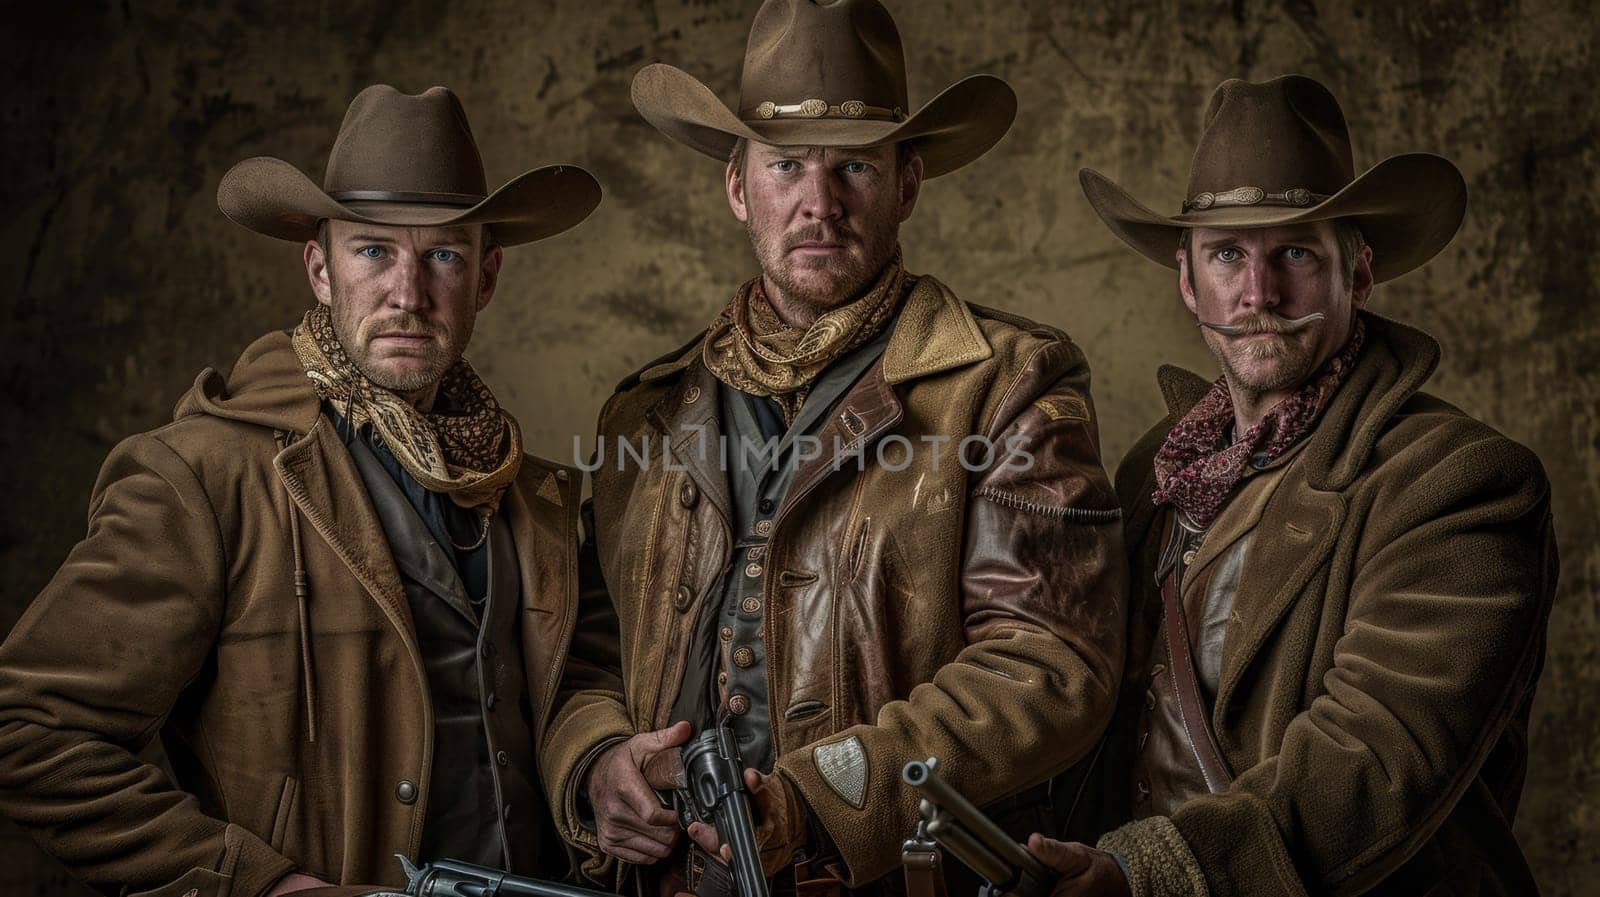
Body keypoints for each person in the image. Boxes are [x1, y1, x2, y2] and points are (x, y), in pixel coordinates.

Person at [540, 2, 1127, 896]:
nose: (820, 204)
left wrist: (822, 801)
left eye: (854, 164)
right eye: (786, 166)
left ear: (908, 183)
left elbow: (1050, 664)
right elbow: (586, 647)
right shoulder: (649, 411)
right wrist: (595, 762)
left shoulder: (1011, 383)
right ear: (740, 187)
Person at [0, 84, 602, 897]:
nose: (409, 292)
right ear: (320, 268)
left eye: (445, 255)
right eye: (373, 251)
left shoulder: (536, 496)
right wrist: (263, 887)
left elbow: (573, 703)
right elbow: (27, 727)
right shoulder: (205, 478)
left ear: (486, 277)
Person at [1026, 74, 1558, 896]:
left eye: (1296, 253)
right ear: (1187, 281)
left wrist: (1149, 871)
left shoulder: (1463, 483)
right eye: (1229, 254)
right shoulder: (1155, 469)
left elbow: (1378, 758)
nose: (1259, 293)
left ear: (1361, 272)